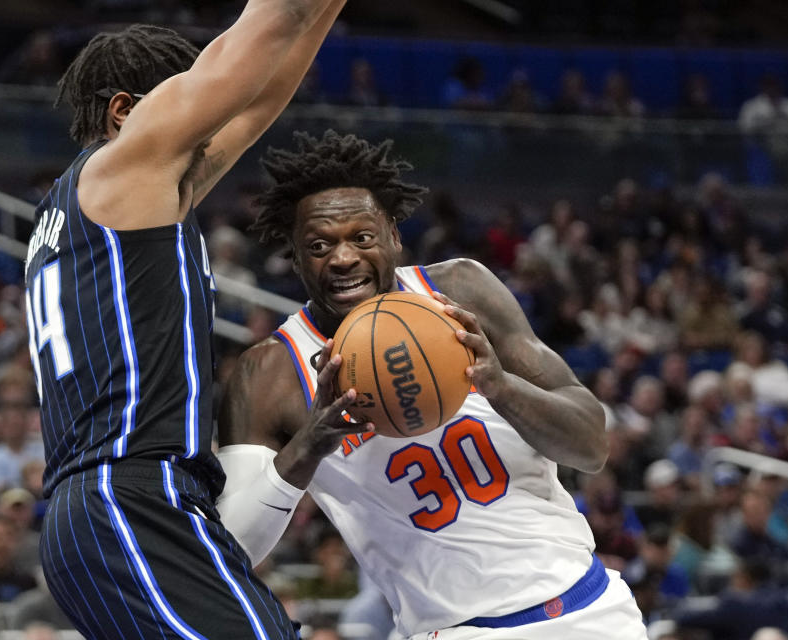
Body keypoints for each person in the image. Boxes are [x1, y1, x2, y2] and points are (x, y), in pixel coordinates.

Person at [216, 130, 647, 639]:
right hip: (450, 629)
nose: (343, 257)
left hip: (590, 611)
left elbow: (592, 446)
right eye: (318, 245)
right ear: (294, 255)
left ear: (394, 236)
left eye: (362, 237)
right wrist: (308, 447)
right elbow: (228, 548)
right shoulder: (271, 373)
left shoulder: (459, 290)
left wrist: (502, 387)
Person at [26, 3, 348, 638]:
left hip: (103, 510)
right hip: (128, 497)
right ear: (126, 111)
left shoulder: (110, 206)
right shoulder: (123, 169)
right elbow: (264, 32)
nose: (214, 131)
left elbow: (258, 102)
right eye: (194, 106)